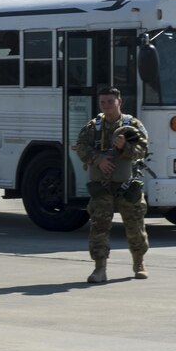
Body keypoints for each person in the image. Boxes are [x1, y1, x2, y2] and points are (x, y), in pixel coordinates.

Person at [75, 86, 150, 283]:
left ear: (119, 102)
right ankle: (100, 268)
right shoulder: (93, 127)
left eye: (110, 101)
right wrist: (98, 159)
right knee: (99, 226)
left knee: (135, 224)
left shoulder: (131, 126)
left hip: (127, 184)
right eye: (103, 102)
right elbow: (81, 147)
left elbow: (143, 149)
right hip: (102, 185)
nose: (107, 105)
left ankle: (139, 262)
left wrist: (124, 147)